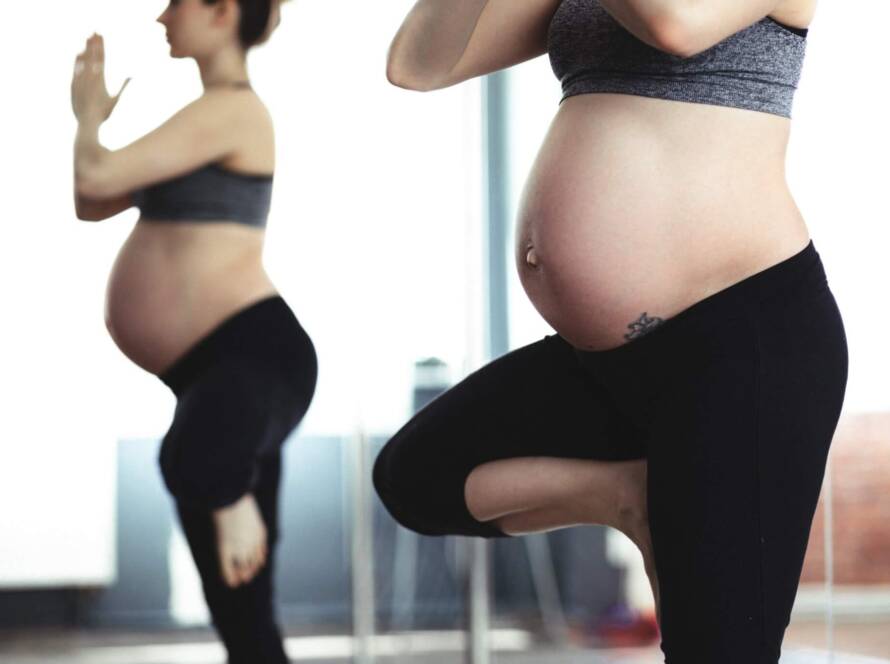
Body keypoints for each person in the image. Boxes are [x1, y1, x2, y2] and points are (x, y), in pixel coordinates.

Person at [372, 0, 848, 660]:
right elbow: (417, 65)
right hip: (608, 363)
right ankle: (628, 498)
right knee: (417, 476)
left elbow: (674, 26)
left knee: (718, 649)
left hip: (740, 341)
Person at [71, 2, 315, 661]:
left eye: (176, 1)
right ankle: (225, 488)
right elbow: (91, 201)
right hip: (217, 371)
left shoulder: (233, 110)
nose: (161, 17)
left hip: (253, 355)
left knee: (195, 464)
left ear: (221, 10)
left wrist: (90, 115)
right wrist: (89, 122)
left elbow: (94, 171)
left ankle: (228, 490)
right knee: (241, 611)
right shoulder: (204, 118)